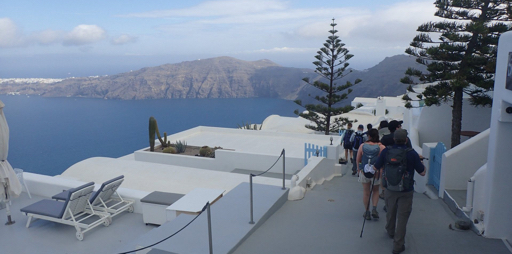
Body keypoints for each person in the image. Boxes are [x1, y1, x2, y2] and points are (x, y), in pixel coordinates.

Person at [373, 129, 425, 254]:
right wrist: (421, 160)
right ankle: (398, 245)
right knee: (402, 217)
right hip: (406, 190)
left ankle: (390, 231)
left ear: (394, 139)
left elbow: (376, 167)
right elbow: (422, 172)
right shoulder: (412, 153)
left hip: (390, 188)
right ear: (406, 140)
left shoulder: (387, 151)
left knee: (390, 211)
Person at [356, 129, 385, 220]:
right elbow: (384, 161)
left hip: (364, 172)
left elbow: (358, 159)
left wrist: (358, 169)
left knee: (366, 192)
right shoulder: (381, 147)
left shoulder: (362, 146)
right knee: (376, 191)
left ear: (368, 136)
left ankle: (367, 211)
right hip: (377, 173)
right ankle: (374, 209)